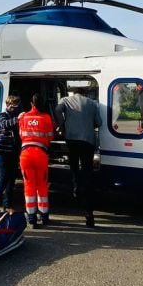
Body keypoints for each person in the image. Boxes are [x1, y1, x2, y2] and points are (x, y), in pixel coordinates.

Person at [54, 85, 101, 227]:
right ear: (85, 93)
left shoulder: (65, 100)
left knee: (73, 164)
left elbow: (57, 110)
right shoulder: (93, 103)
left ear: (74, 93)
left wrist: (62, 124)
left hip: (72, 139)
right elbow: (99, 122)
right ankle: (89, 212)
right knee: (87, 170)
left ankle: (75, 186)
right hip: (88, 141)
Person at [18, 94, 54, 227]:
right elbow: (50, 136)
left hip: (26, 155)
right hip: (41, 154)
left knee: (29, 187)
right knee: (42, 186)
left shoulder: (23, 117)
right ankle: (44, 216)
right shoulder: (46, 118)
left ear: (31, 104)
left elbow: (21, 135)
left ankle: (31, 217)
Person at [0, 94, 22, 213]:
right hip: (2, 152)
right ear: (8, 105)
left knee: (11, 179)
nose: (15, 109)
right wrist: (17, 119)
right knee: (3, 178)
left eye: (16, 107)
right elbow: (3, 124)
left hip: (12, 152)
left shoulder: (15, 115)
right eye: (13, 107)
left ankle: (8, 205)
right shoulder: (3, 115)